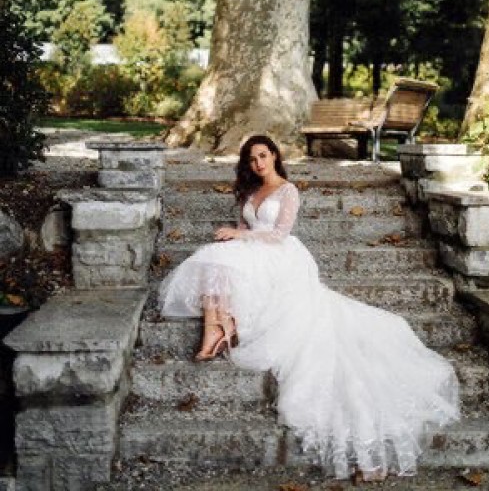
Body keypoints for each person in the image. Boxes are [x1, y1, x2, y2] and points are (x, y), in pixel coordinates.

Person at [159, 134, 460, 480]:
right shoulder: (251, 192)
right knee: (213, 258)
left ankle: (220, 326)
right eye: (252, 159)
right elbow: (246, 228)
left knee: (220, 260)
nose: (258, 164)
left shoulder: (288, 190)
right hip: (255, 252)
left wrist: (241, 237)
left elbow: (278, 234)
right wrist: (235, 234)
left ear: (274, 155)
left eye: (263, 156)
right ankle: (218, 325)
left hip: (281, 256)